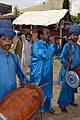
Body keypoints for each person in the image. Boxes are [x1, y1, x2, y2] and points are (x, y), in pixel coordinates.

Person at [30, 27, 61, 114]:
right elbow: (45, 55)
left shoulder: (48, 45)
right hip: (39, 73)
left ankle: (48, 107)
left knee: (48, 89)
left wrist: (56, 45)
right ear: (41, 35)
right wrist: (51, 45)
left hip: (48, 72)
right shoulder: (37, 45)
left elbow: (57, 53)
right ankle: (36, 109)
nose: (49, 35)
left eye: (49, 32)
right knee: (38, 90)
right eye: (47, 33)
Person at [0, 20, 28, 101]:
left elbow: (21, 75)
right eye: (4, 39)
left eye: (10, 39)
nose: (7, 42)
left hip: (11, 97)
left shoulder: (14, 57)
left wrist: (27, 84)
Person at [57, 24, 80, 113]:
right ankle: (62, 104)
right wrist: (65, 63)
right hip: (68, 71)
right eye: (74, 35)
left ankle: (70, 101)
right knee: (66, 87)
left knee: (73, 86)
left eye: (77, 35)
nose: (76, 37)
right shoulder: (67, 46)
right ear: (70, 36)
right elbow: (61, 57)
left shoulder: (78, 47)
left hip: (76, 71)